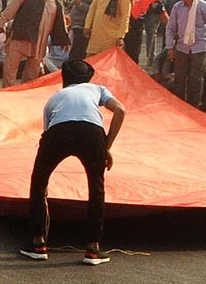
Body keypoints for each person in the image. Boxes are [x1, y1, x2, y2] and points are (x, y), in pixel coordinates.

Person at [20, 59, 126, 265]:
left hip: (59, 131)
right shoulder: (98, 89)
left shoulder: (55, 97)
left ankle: (38, 244)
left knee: (39, 183)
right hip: (92, 132)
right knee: (96, 188)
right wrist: (106, 147)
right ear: (88, 78)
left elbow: (47, 132)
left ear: (64, 78)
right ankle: (93, 249)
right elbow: (121, 110)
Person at [0, 0, 59, 87]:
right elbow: (10, 9)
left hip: (39, 42)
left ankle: (24, 97)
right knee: (10, 70)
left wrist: (63, 39)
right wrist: (0, 24)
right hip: (20, 36)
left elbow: (59, 22)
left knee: (32, 74)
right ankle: (6, 95)